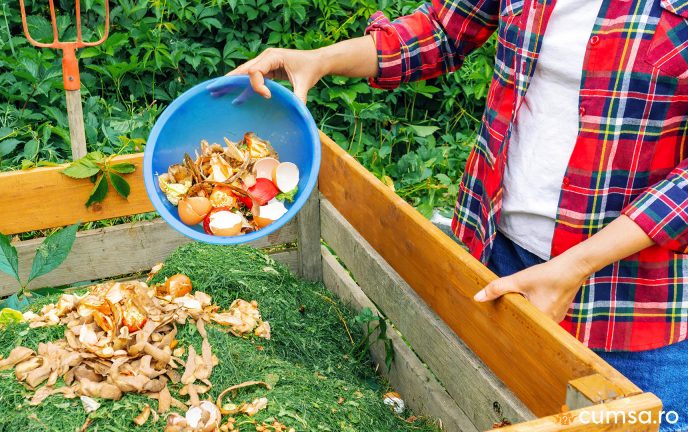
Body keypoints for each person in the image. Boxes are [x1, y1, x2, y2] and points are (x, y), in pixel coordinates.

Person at [229, 0, 688, 428]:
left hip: (629, 302)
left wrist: (577, 265)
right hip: (496, 252)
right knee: (494, 408)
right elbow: (442, 30)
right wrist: (320, 59)